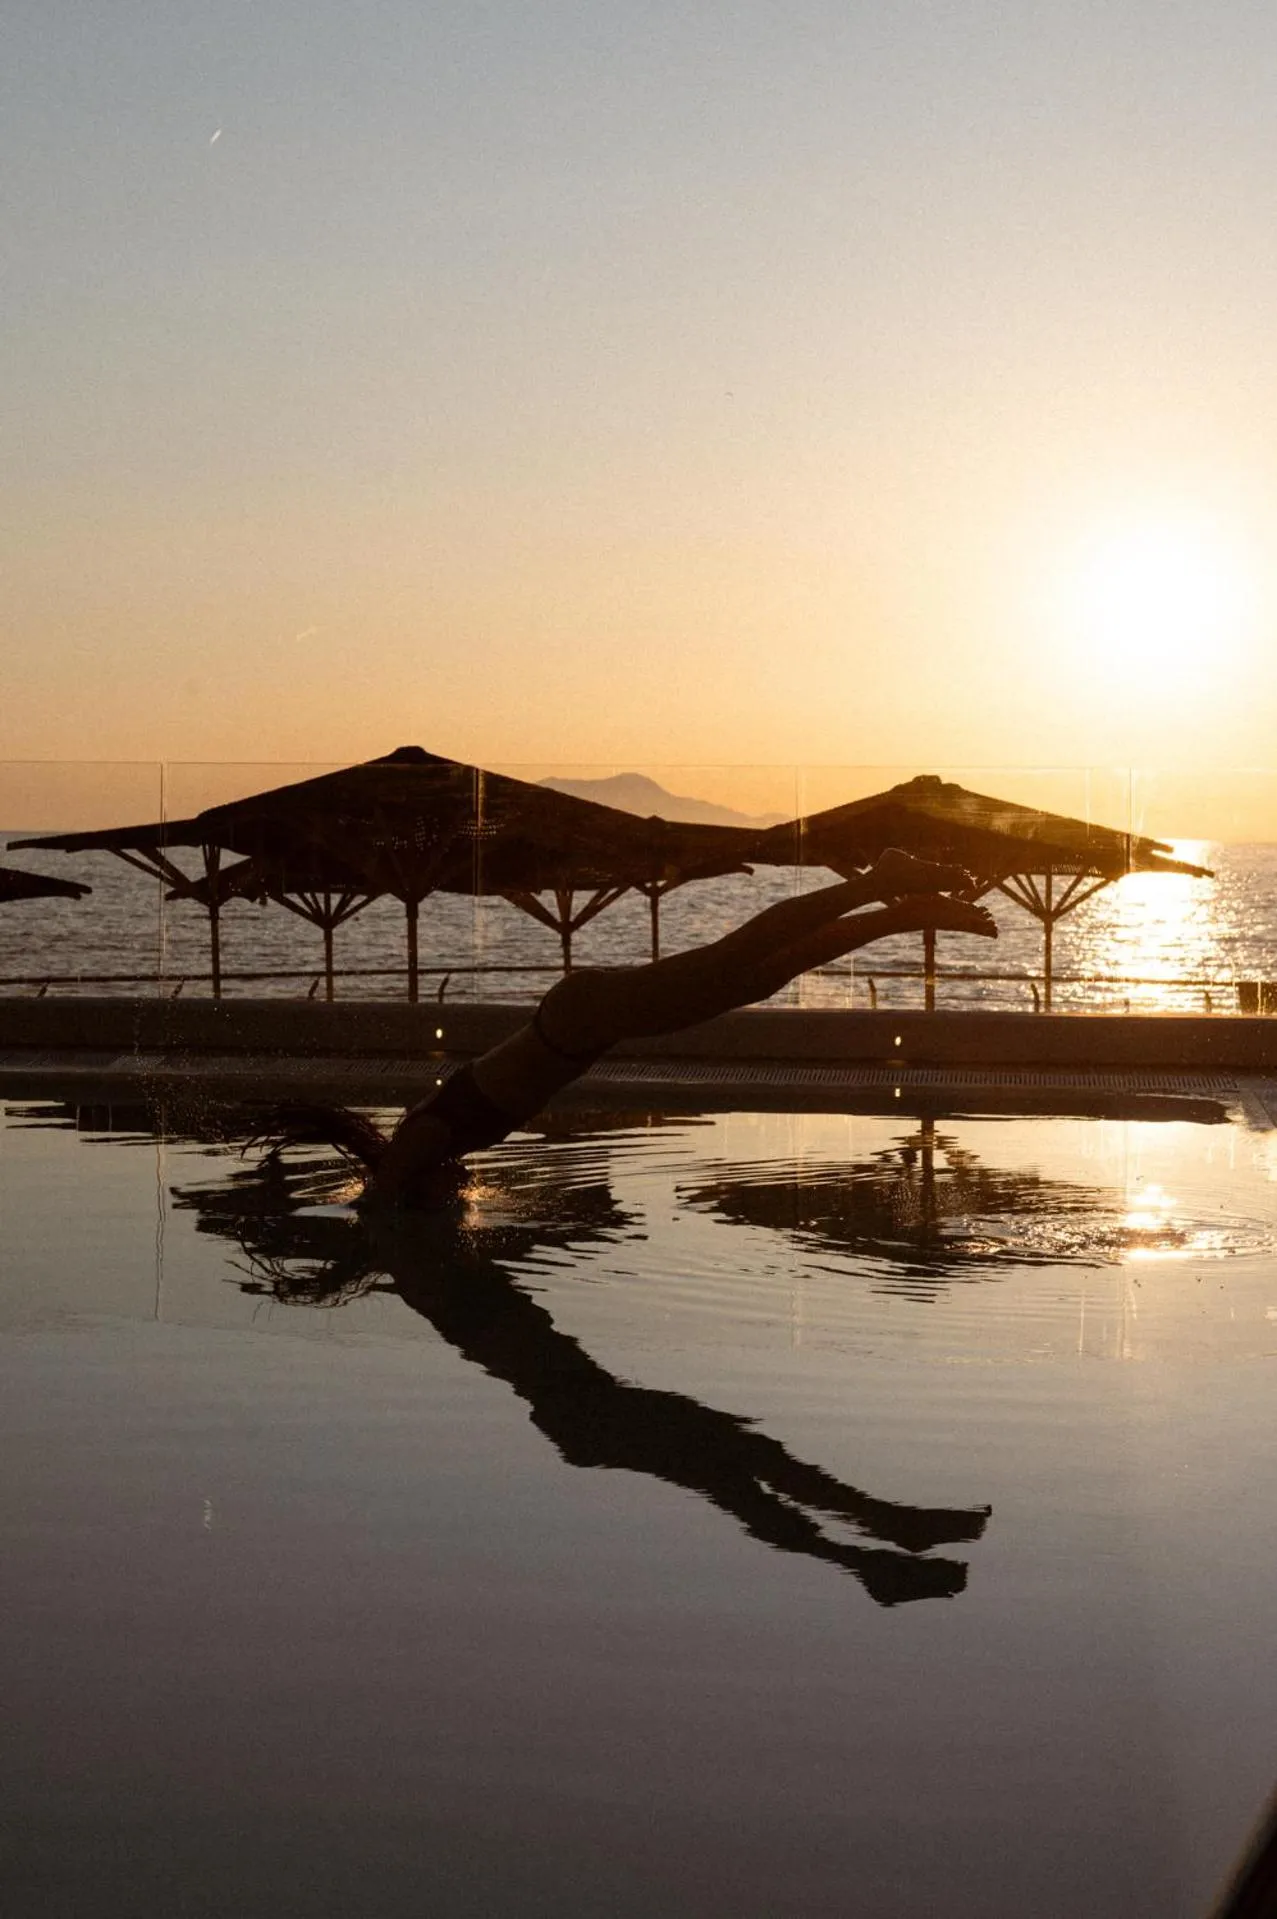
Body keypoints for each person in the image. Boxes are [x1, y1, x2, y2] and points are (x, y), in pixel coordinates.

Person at [261, 849, 996, 1206]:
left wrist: (366, 1217)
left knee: (734, 959)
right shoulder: (429, 1140)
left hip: (578, 1022)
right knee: (751, 977)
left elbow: (386, 1206)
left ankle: (881, 884)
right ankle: (901, 912)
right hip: (582, 1024)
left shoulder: (418, 1142)